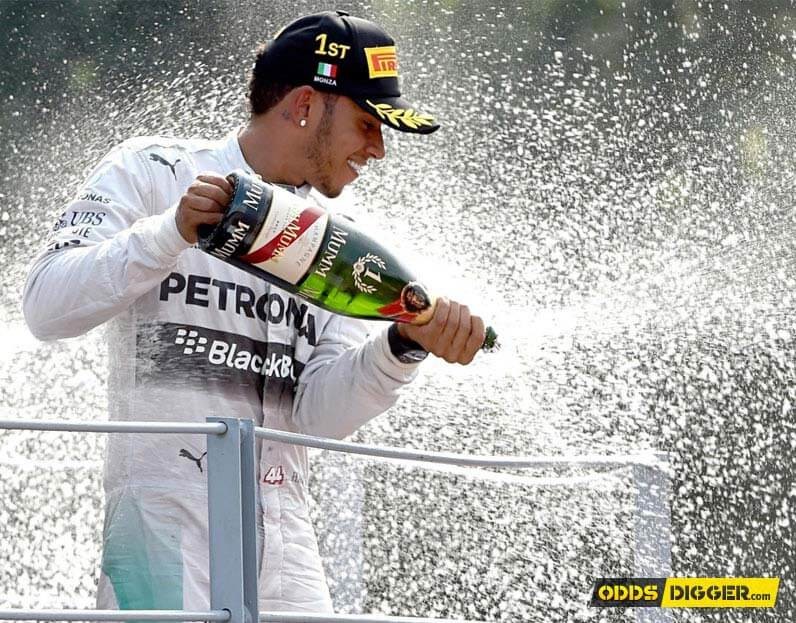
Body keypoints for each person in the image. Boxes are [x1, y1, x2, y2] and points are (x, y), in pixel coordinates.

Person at [22, 10, 485, 616]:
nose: (378, 150)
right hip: (162, 528)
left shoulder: (344, 244)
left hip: (287, 534)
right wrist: (169, 234)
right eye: (368, 123)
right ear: (303, 105)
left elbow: (316, 416)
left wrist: (400, 349)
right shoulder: (154, 171)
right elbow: (45, 306)